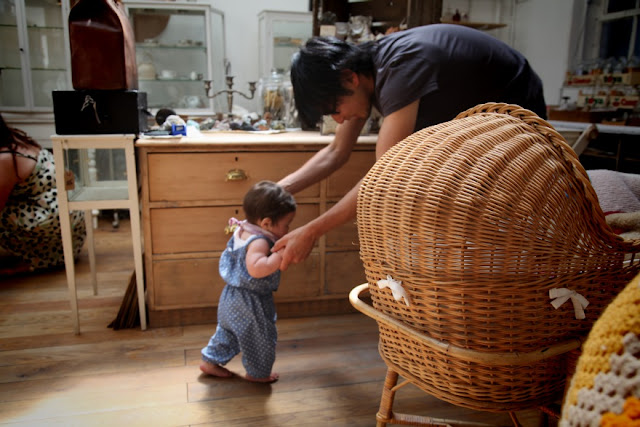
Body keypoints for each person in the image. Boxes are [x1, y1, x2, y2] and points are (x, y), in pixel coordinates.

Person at [273, 24, 547, 270]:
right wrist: (276, 191)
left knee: (498, 228)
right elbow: (336, 152)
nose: (338, 119)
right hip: (478, 121)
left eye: (335, 108)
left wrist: (311, 231)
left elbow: (385, 176)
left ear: (349, 78)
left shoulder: (398, 67)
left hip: (517, 107)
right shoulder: (364, 75)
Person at [200, 180, 296, 383]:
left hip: (230, 297)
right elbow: (256, 268)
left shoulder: (244, 230)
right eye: (286, 225)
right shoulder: (260, 241)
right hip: (251, 302)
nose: (288, 230)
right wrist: (279, 256)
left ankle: (210, 361)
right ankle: (258, 373)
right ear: (266, 223)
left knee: (228, 333)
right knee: (259, 337)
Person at [0, 114, 86, 274]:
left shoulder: (5, 158)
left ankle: (35, 258)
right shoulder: (15, 139)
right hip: (72, 218)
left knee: (3, 216)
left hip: (58, 222)